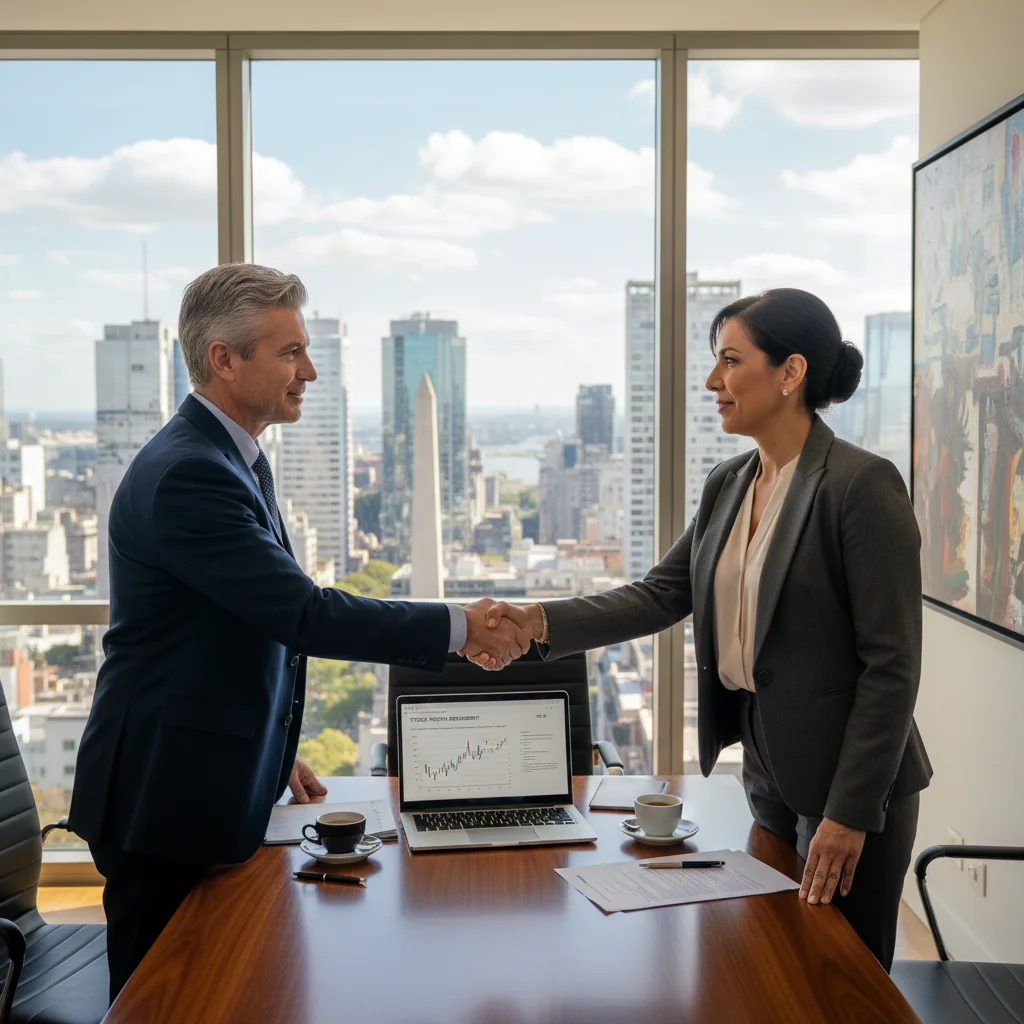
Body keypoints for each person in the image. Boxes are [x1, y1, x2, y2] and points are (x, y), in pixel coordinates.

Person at [69, 263, 530, 1001]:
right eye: (290, 353)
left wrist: (268, 751)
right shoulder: (192, 473)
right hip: (165, 797)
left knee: (235, 991)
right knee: (169, 1003)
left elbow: (226, 628)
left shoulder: (229, 456)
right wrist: (460, 625)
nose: (309, 371)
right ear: (225, 359)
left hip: (198, 775)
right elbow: (302, 614)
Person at [471, 288, 932, 972]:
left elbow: (892, 665)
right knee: (773, 965)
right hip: (770, 774)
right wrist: (538, 621)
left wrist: (851, 812)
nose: (713, 381)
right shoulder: (730, 482)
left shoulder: (861, 487)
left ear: (791, 372)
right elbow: (661, 595)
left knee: (843, 982)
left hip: (851, 785)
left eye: (730, 361)